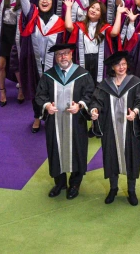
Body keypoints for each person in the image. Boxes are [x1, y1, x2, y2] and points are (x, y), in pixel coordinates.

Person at [34, 43, 95, 199]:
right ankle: (59, 182)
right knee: (56, 149)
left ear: (71, 55)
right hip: (55, 121)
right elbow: (40, 96)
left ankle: (75, 183)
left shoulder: (83, 74)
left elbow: (90, 95)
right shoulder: (48, 76)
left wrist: (80, 105)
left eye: (66, 53)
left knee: (77, 149)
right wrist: (47, 106)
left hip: (76, 121)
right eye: (59, 54)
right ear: (55, 58)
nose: (63, 57)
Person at [89, 51, 140, 206]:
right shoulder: (105, 85)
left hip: (130, 129)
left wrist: (135, 112)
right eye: (117, 65)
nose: (121, 67)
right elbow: (96, 102)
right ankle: (113, 188)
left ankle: (131, 190)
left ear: (127, 65)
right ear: (112, 67)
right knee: (111, 156)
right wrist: (94, 111)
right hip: (110, 128)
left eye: (124, 64)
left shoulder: (136, 83)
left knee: (131, 157)